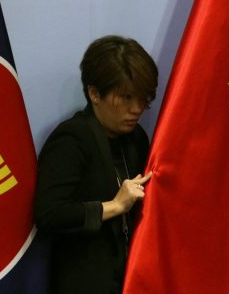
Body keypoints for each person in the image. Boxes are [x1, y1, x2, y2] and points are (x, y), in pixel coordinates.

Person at [34, 35, 158, 293]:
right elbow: (48, 213)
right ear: (94, 93)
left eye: (143, 98)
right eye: (126, 97)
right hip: (84, 281)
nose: (136, 108)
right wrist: (114, 206)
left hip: (131, 278)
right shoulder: (71, 138)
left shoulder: (136, 138)